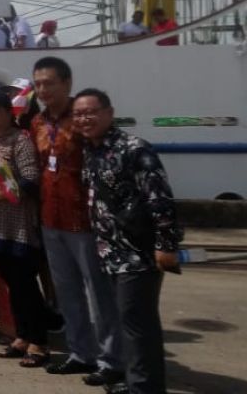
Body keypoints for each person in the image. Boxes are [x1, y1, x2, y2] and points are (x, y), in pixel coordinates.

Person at [78, 88, 182, 394]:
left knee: (139, 326)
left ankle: (145, 388)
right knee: (127, 322)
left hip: (138, 253)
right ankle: (137, 382)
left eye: (91, 112)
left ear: (109, 113)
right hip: (109, 252)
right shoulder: (91, 150)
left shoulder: (135, 149)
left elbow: (159, 198)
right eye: (79, 114)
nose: (85, 119)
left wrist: (166, 244)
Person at [31, 57, 123, 385]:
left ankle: (112, 360)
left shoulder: (83, 119)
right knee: (67, 291)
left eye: (49, 83)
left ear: (67, 83)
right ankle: (80, 353)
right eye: (38, 84)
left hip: (86, 219)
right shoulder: (37, 122)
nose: (43, 90)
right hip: (50, 217)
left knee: (100, 295)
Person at [0, 89, 50, 368]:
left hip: (16, 226)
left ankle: (39, 340)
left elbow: (30, 181)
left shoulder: (21, 141)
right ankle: (21, 336)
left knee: (25, 283)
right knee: (11, 284)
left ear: (7, 112)